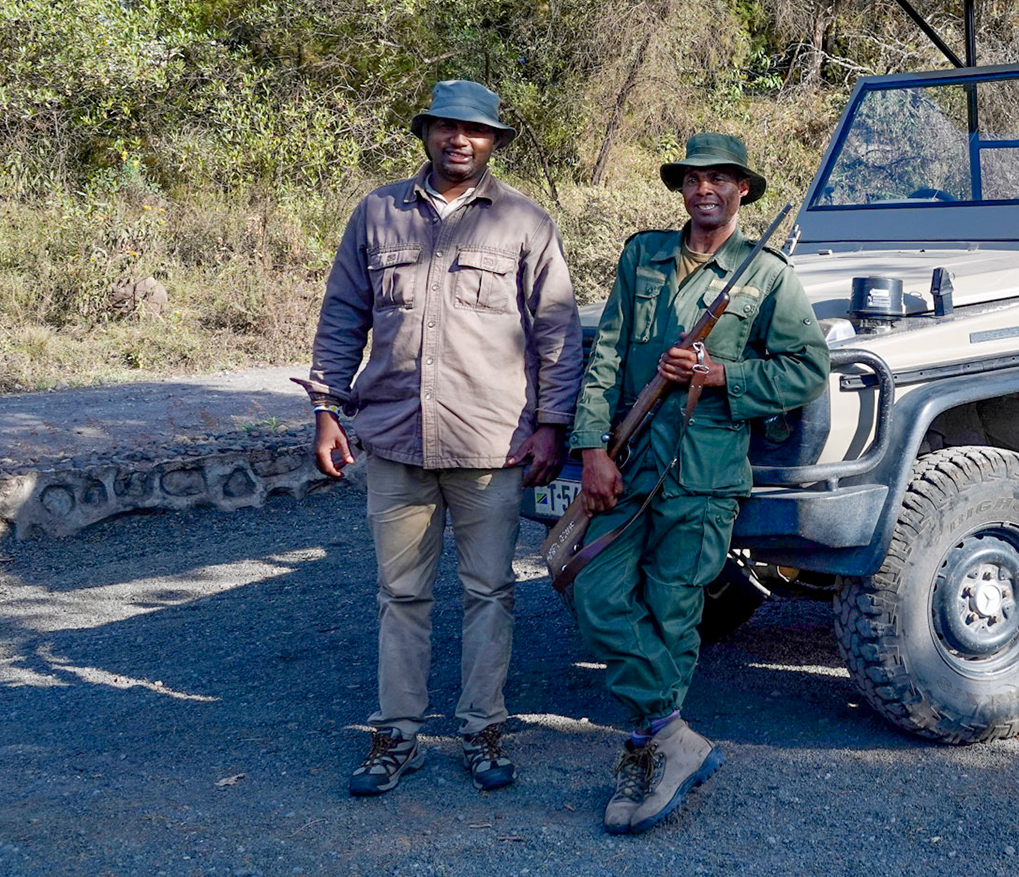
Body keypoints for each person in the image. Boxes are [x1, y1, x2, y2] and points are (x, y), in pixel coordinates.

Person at [301, 80, 582, 798]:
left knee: (489, 590)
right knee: (400, 593)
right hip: (394, 438)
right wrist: (328, 409)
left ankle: (483, 726)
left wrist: (553, 426)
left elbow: (557, 334)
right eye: (447, 128)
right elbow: (342, 316)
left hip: (493, 446)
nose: (460, 140)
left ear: (494, 142)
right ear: (426, 133)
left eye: (476, 131)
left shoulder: (524, 222)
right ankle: (397, 734)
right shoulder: (377, 213)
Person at [567, 133, 828, 835]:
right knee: (591, 590)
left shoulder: (766, 275)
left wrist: (723, 376)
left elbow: (807, 369)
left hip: (705, 472)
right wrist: (593, 446)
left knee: (673, 609)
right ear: (681, 188)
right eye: (694, 179)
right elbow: (608, 356)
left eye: (720, 179)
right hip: (628, 460)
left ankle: (650, 748)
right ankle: (672, 734)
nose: (704, 189)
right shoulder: (641, 256)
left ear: (743, 190)